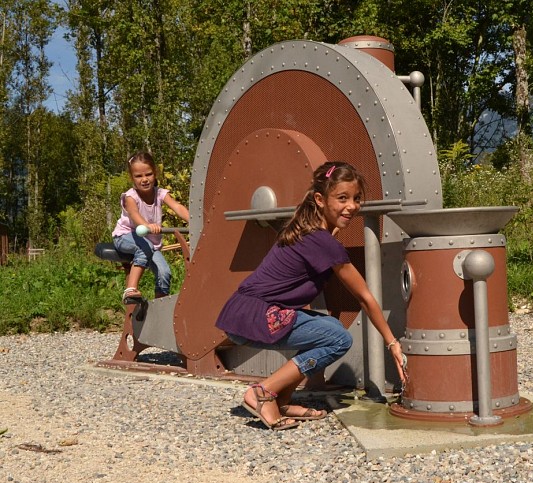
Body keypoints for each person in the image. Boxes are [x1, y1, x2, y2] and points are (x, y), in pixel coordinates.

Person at [216, 161, 406, 431]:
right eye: (342, 198)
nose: (352, 206)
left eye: (356, 198)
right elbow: (364, 297)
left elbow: (326, 237)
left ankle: (281, 399)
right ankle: (262, 392)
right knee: (339, 339)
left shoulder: (306, 229)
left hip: (243, 312)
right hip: (257, 316)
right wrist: (392, 343)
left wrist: (334, 223)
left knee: (330, 327)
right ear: (320, 199)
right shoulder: (323, 243)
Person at [112, 151, 189, 304]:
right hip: (125, 236)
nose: (145, 179)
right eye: (139, 176)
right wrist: (147, 225)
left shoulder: (160, 193)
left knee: (164, 272)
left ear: (155, 173)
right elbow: (134, 214)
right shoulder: (130, 197)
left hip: (149, 242)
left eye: (148, 174)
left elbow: (177, 207)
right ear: (131, 178)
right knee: (143, 247)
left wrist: (194, 220)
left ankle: (160, 305)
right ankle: (130, 290)